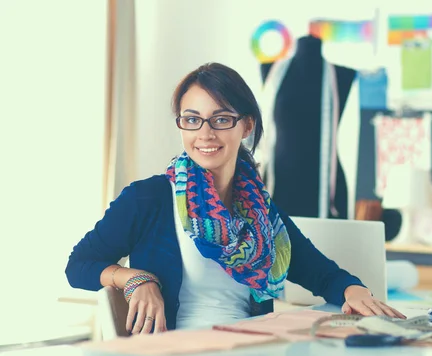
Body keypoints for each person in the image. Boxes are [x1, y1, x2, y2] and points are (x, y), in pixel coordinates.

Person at [66, 62, 405, 335]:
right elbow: (78, 265)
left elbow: (324, 275)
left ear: (246, 126)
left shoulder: (261, 213)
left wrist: (355, 292)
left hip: (252, 354)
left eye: (221, 119)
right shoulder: (147, 198)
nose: (205, 133)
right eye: (192, 119)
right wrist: (135, 279)